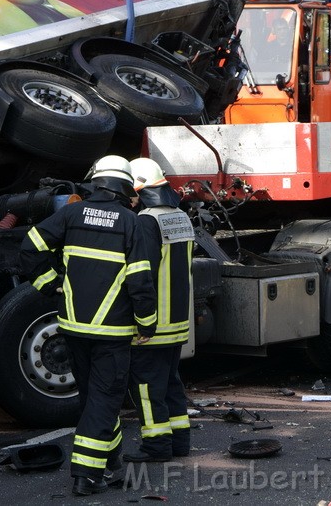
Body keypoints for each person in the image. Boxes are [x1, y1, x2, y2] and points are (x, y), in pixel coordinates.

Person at [20, 155, 158, 496]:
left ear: (96, 183)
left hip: (73, 328)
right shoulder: (132, 223)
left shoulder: (70, 213)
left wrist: (52, 285)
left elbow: (30, 247)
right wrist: (147, 324)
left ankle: (111, 462)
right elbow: (140, 280)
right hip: (112, 333)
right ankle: (85, 474)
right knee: (104, 400)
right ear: (125, 187)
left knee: (95, 399)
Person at [123, 157, 195, 464]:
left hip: (155, 323)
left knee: (146, 388)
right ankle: (179, 441)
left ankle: (156, 446)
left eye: (131, 191)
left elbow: (143, 274)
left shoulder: (146, 221)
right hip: (178, 321)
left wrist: (143, 323)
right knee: (170, 384)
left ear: (139, 188)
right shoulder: (180, 216)